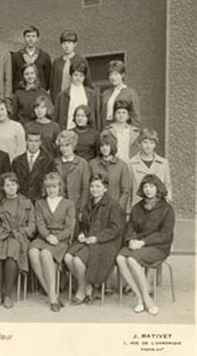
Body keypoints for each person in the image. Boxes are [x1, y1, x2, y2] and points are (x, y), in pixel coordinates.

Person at [116, 174, 175, 316]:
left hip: (157, 246)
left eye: (151, 186)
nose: (148, 190)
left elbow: (165, 234)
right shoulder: (137, 207)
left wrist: (142, 242)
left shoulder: (167, 209)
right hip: (137, 244)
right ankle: (140, 297)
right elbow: (130, 227)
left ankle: (147, 300)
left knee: (132, 259)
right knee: (120, 258)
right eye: (145, 186)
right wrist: (130, 240)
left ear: (158, 188)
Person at [64, 174, 124, 304]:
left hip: (106, 242)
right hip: (89, 239)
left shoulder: (113, 205)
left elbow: (115, 229)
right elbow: (84, 224)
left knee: (78, 259)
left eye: (98, 186)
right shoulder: (89, 204)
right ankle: (87, 286)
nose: (94, 189)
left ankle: (81, 291)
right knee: (68, 257)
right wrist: (81, 233)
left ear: (105, 188)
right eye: (92, 186)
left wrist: (97, 238)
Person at [0, 172, 36, 309]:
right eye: (7, 185)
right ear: (2, 188)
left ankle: (8, 295)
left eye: (13, 184)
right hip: (1, 234)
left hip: (18, 235)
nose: (10, 187)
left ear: (18, 186)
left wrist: (20, 232)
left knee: (13, 251)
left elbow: (32, 226)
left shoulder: (26, 203)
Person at [28, 172, 75, 312]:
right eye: (48, 187)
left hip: (60, 239)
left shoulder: (68, 203)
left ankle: (53, 300)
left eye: (54, 187)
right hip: (44, 237)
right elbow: (40, 223)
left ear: (60, 187)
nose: (51, 190)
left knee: (46, 254)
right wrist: (47, 236)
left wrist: (58, 238)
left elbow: (69, 227)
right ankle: (51, 292)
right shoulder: (39, 203)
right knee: (33, 251)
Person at [129, 129, 172, 207]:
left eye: (151, 143)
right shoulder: (131, 164)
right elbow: (128, 188)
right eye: (145, 142)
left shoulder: (163, 163)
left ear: (155, 145)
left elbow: (167, 184)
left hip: (159, 206)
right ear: (140, 143)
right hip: (138, 206)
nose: (148, 146)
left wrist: (167, 200)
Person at [89, 134, 131, 211]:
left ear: (112, 146)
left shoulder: (122, 166)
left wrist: (118, 208)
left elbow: (125, 191)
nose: (104, 148)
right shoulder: (92, 164)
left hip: (115, 208)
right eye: (102, 146)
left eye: (107, 145)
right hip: (96, 209)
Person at [54, 130, 91, 217]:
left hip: (75, 207)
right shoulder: (55, 163)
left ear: (73, 146)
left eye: (67, 145)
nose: (64, 149)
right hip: (57, 206)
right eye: (61, 146)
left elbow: (85, 188)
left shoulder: (82, 163)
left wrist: (82, 208)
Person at [12, 130, 55, 203]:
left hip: (40, 201)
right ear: (26, 142)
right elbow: (14, 182)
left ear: (40, 142)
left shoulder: (48, 161)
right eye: (30, 141)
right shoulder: (17, 161)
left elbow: (49, 183)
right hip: (21, 201)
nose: (33, 144)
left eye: (36, 141)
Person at [50, 30, 92, 104]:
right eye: (64, 43)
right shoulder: (56, 62)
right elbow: (53, 85)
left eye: (69, 43)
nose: (66, 46)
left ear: (75, 44)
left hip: (77, 98)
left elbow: (87, 82)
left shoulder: (81, 60)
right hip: (60, 99)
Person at [55, 61, 98, 131]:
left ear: (84, 77)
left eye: (81, 75)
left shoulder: (92, 95)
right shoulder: (62, 96)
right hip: (68, 130)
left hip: (87, 132)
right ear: (71, 75)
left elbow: (95, 116)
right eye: (76, 75)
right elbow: (57, 119)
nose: (78, 78)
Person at [99, 60, 140, 130]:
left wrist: (134, 132)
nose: (113, 77)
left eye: (116, 74)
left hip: (123, 129)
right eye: (111, 74)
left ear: (122, 75)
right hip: (106, 128)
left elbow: (135, 115)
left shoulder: (130, 93)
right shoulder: (105, 93)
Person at [12, 26, 52, 93]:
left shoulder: (45, 56)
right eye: (28, 36)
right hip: (21, 93)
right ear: (24, 38)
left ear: (37, 39)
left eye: (33, 36)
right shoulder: (16, 56)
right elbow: (13, 77)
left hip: (39, 94)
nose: (31, 39)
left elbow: (48, 77)